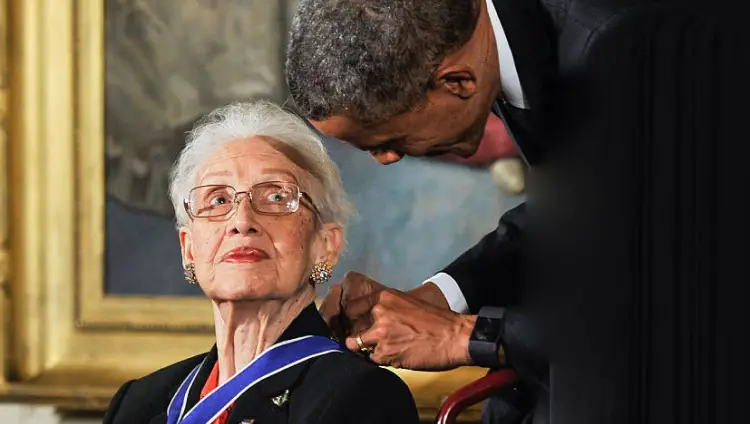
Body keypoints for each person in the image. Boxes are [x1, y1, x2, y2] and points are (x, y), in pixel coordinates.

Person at [285, 0, 656, 422]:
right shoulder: (488, 50)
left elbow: (688, 299)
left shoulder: (633, 51)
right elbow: (583, 215)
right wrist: (438, 298)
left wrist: (464, 336)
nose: (386, 160)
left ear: (458, 82)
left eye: (385, 139)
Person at [102, 102, 420, 424]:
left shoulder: (361, 398)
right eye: (218, 200)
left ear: (325, 246)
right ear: (189, 249)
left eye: (276, 197)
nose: (242, 221)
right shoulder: (138, 403)